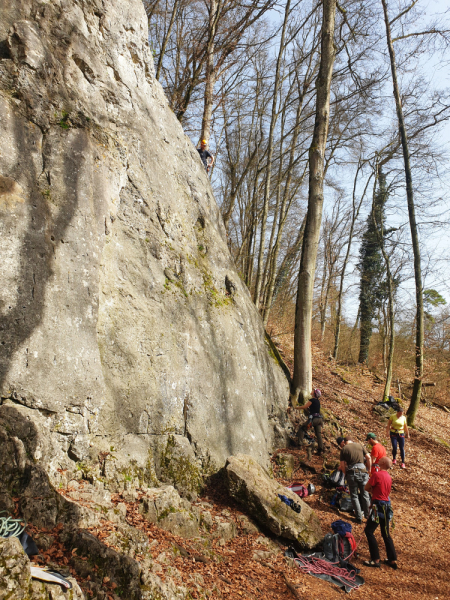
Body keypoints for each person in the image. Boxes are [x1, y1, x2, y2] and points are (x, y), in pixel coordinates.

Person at [363, 456, 398, 569]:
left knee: (369, 531)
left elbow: (366, 487)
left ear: (382, 463)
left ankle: (375, 559)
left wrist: (372, 491)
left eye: (380, 460)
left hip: (378, 507)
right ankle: (392, 559)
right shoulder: (389, 477)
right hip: (387, 506)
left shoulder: (377, 475)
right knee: (385, 533)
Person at [338, 437, 371, 524]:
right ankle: (368, 517)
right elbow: (368, 457)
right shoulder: (360, 446)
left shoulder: (344, 449)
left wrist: (345, 474)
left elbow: (342, 465)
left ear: (344, 442)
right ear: (352, 441)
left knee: (354, 496)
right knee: (365, 495)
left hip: (352, 473)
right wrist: (369, 469)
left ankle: (359, 518)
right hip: (363, 472)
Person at [295, 388, 324, 454]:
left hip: (314, 420)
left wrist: (296, 407)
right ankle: (320, 449)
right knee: (318, 434)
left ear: (314, 393)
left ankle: (299, 444)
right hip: (319, 420)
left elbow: (305, 406)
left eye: (313, 390)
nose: (312, 391)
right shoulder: (317, 401)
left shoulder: (312, 400)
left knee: (302, 428)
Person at [385, 404, 410, 469]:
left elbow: (405, 427)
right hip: (393, 433)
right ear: (397, 412)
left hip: (401, 433)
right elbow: (388, 425)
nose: (400, 415)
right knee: (394, 447)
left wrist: (408, 434)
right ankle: (394, 458)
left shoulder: (404, 418)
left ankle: (403, 462)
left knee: (402, 448)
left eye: (401, 414)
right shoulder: (393, 416)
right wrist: (387, 432)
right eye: (399, 413)